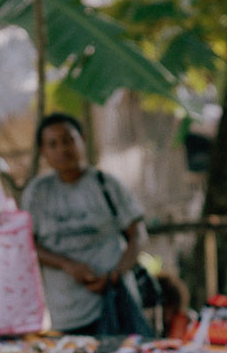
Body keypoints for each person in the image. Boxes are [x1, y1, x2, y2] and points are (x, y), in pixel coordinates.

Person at [22, 112, 147, 337]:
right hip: (66, 312)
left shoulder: (106, 185)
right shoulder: (37, 193)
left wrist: (115, 275)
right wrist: (66, 265)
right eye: (53, 144)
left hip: (115, 306)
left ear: (82, 139)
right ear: (43, 152)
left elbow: (137, 235)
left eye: (68, 140)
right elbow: (26, 243)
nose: (62, 149)